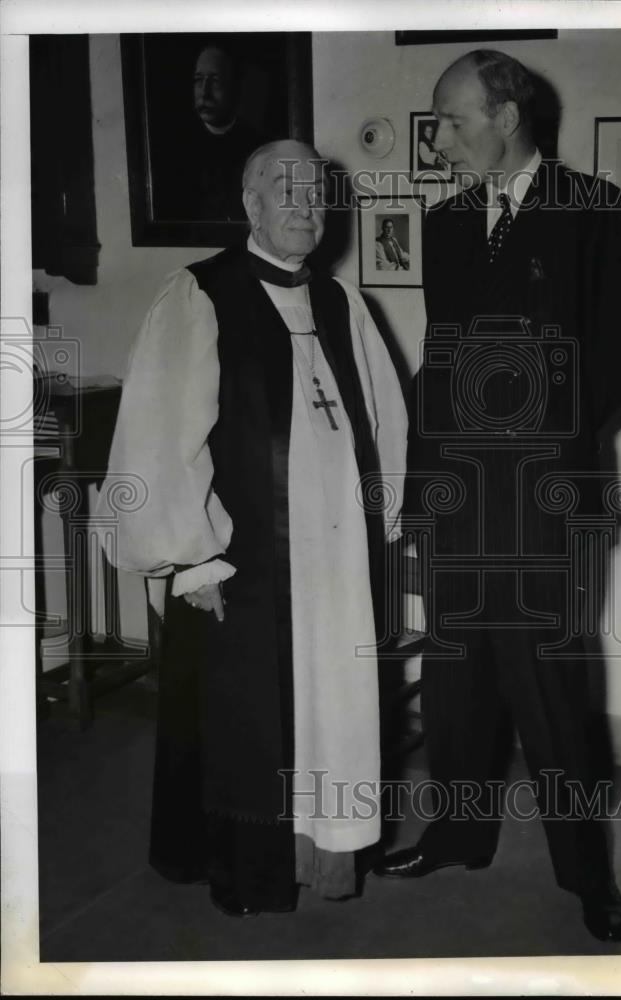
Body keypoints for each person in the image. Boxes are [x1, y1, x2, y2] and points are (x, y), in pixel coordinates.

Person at [373, 50, 621, 944]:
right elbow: (439, 365)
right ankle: (457, 833)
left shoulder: (599, 213)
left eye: (452, 121)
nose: (440, 139)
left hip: (542, 497)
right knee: (455, 681)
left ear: (505, 115)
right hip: (456, 495)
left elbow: (615, 363)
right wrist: (422, 493)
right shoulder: (448, 224)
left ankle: (584, 875)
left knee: (553, 693)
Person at [97, 139, 407, 916]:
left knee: (332, 701)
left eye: (317, 188)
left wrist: (382, 518)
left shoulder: (343, 303)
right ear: (251, 204)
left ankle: (326, 852)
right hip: (243, 561)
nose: (305, 202)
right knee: (247, 718)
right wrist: (192, 561)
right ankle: (251, 869)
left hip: (337, 561)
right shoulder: (199, 294)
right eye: (284, 185)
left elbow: (386, 422)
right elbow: (159, 435)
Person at [153, 43, 265, 221]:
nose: (204, 93)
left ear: (235, 87)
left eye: (215, 81)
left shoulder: (259, 148)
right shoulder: (173, 148)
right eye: (199, 80)